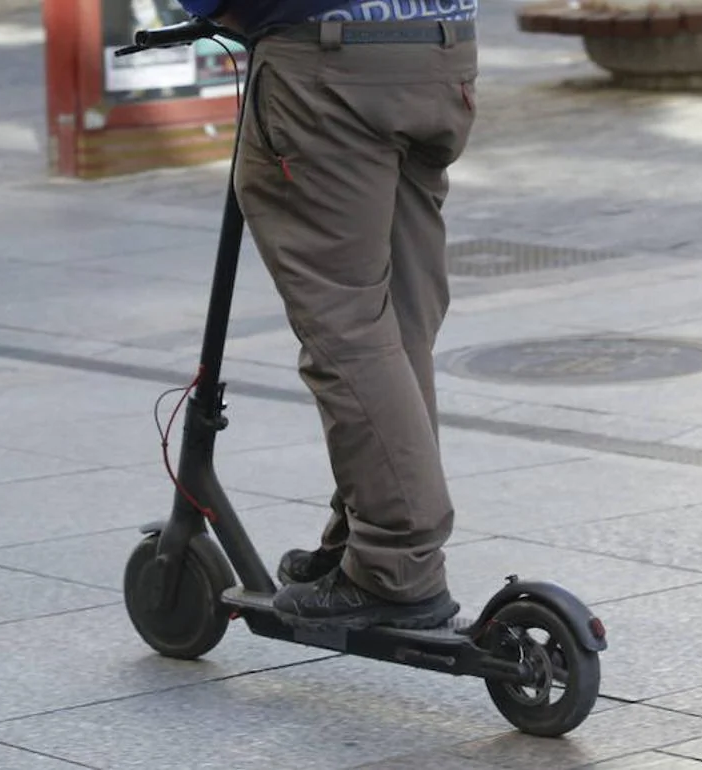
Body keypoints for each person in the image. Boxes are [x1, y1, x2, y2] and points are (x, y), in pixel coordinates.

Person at [180, 0, 479, 630]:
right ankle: (365, 531)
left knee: (347, 324)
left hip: (329, 63)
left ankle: (396, 561)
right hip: (440, 51)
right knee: (400, 314)